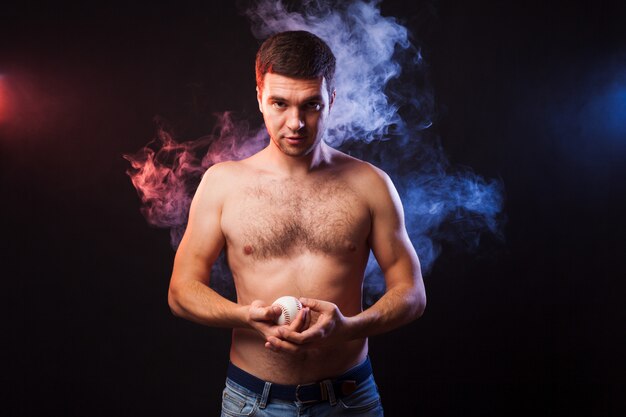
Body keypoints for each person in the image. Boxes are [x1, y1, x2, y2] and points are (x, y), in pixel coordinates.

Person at [168, 30, 426, 416]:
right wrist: (246, 318)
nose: (296, 123)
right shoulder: (222, 184)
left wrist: (349, 327)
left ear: (331, 100)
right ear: (259, 98)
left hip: (350, 399)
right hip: (253, 402)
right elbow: (181, 291)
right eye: (279, 103)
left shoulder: (371, 185)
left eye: (311, 105)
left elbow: (412, 293)